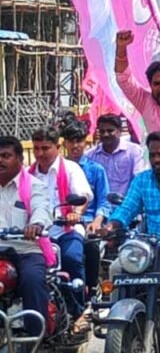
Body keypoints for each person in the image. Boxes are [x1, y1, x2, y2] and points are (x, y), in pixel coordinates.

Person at [29, 127, 92, 318]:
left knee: (71, 258)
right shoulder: (28, 174)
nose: (40, 153)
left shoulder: (71, 169)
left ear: (57, 147)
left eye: (45, 148)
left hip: (66, 231)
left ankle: (80, 311)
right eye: (36, 148)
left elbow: (83, 196)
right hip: (38, 236)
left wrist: (75, 213)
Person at [0, 136, 52, 338]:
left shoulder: (34, 185)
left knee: (32, 279)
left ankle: (36, 337)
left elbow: (41, 208)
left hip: (26, 249)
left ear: (20, 159)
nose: (0, 161)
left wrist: (36, 225)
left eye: (6, 156)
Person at [62, 122, 110, 293]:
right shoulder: (58, 169)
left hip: (88, 222)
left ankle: (91, 288)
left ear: (86, 142)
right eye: (71, 141)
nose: (75, 145)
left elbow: (104, 201)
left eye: (79, 141)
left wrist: (97, 221)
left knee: (91, 245)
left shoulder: (96, 170)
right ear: (64, 143)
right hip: (60, 222)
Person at [115, 29, 160, 134]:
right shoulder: (145, 102)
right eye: (157, 84)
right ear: (150, 85)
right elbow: (123, 78)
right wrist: (121, 47)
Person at [86, 113, 148, 197]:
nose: (105, 134)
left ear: (119, 131)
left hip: (127, 202)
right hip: (100, 203)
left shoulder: (133, 152)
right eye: (102, 131)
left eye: (110, 131)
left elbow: (138, 179)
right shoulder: (91, 155)